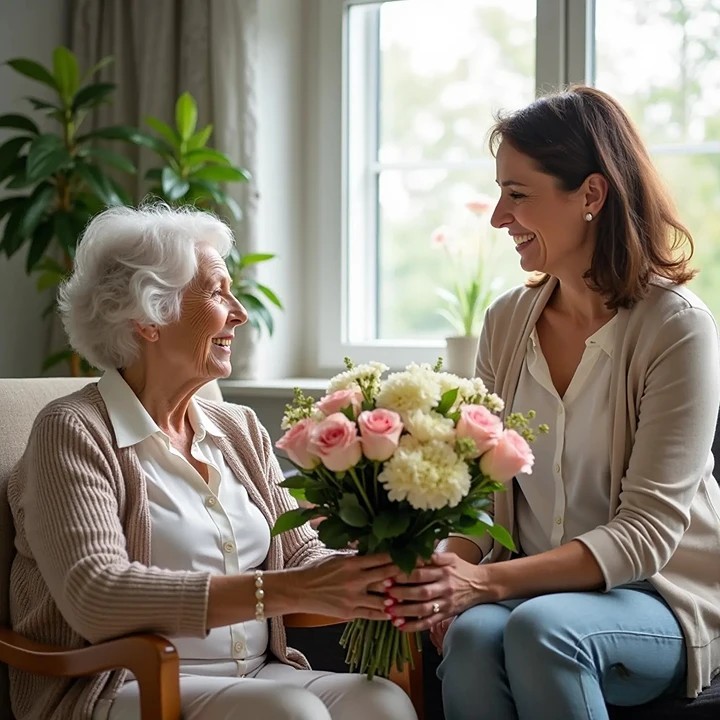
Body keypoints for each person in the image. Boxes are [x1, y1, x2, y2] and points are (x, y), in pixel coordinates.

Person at [378, 86, 720, 720]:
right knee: (477, 637)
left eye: (518, 194)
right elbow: (484, 501)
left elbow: (647, 535)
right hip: (528, 591)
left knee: (543, 630)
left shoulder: (677, 327)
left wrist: (482, 583)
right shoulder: (507, 322)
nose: (498, 218)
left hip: (658, 597)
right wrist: (440, 572)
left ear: (590, 195)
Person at [7, 204, 421, 720]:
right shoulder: (72, 430)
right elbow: (97, 595)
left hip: (258, 673)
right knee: (292, 713)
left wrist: (379, 569)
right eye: (217, 291)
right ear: (148, 317)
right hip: (125, 680)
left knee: (382, 702)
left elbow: (299, 559)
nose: (239, 312)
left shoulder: (237, 427)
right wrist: (283, 589)